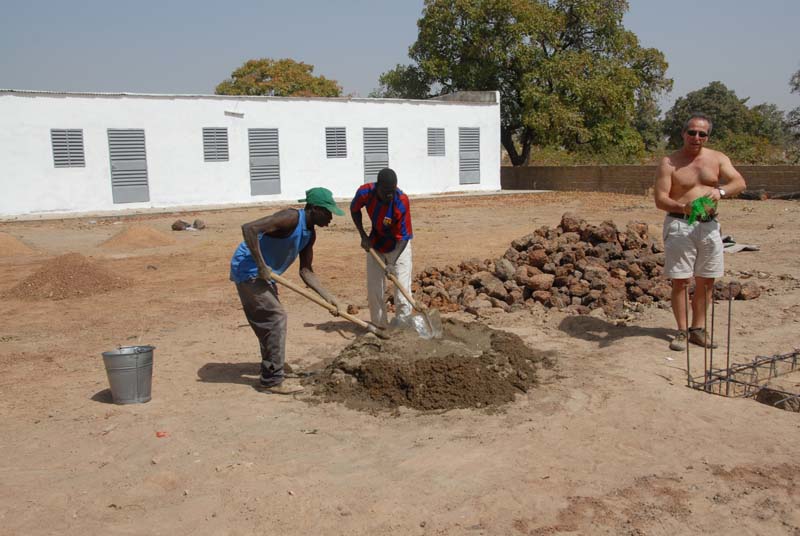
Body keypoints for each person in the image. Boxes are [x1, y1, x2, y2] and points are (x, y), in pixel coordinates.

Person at [230, 187, 344, 394]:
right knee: (275, 318)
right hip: (249, 270)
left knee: (269, 323)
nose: (331, 218)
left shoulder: (310, 234)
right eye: (328, 212)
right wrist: (262, 265)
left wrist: (330, 298)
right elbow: (249, 228)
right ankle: (272, 381)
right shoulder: (290, 217)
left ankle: (271, 368)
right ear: (315, 209)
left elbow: (306, 271)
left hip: (263, 273)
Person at [654, 113, 746, 351]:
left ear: (707, 136)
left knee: (706, 281)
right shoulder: (670, 162)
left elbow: (739, 182)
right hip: (680, 225)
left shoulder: (717, 159)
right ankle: (682, 331)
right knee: (681, 281)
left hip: (709, 225)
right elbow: (660, 199)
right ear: (683, 133)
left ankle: (698, 329)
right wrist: (681, 207)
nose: (696, 137)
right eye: (692, 132)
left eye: (702, 134)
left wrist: (721, 192)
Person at [350, 168, 414, 329]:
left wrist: (391, 262)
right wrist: (363, 236)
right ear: (377, 187)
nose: (389, 196)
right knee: (374, 289)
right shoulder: (365, 192)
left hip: (399, 247)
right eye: (386, 192)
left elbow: (404, 236)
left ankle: (403, 327)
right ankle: (380, 327)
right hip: (376, 244)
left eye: (392, 191)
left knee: (403, 290)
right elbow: (354, 209)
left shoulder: (401, 201)